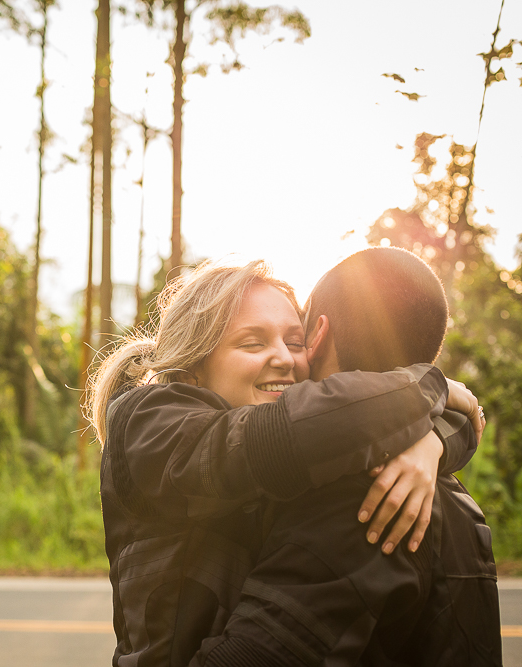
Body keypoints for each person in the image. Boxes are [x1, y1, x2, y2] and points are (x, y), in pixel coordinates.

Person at [90, 259, 477, 666]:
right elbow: (286, 436)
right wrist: (427, 387)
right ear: (192, 371)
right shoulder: (151, 422)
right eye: (253, 343)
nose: (285, 359)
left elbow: (329, 422)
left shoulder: (304, 442)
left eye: (295, 342)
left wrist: (432, 440)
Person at [191, 247, 500, 666]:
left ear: (317, 335)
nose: (285, 358)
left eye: (295, 337)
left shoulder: (360, 493)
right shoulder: (449, 490)